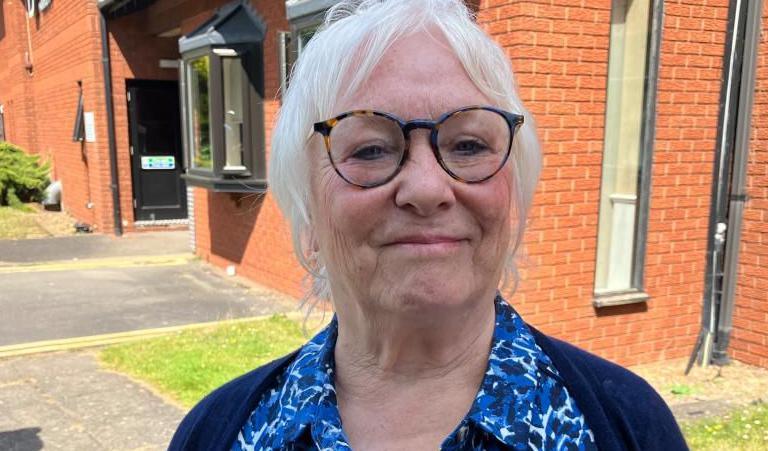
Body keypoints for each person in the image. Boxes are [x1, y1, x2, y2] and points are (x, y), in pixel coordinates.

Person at [170, 0, 688, 449]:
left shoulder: (627, 427)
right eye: (370, 149)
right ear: (307, 208)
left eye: (468, 145)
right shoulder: (218, 433)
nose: (427, 189)